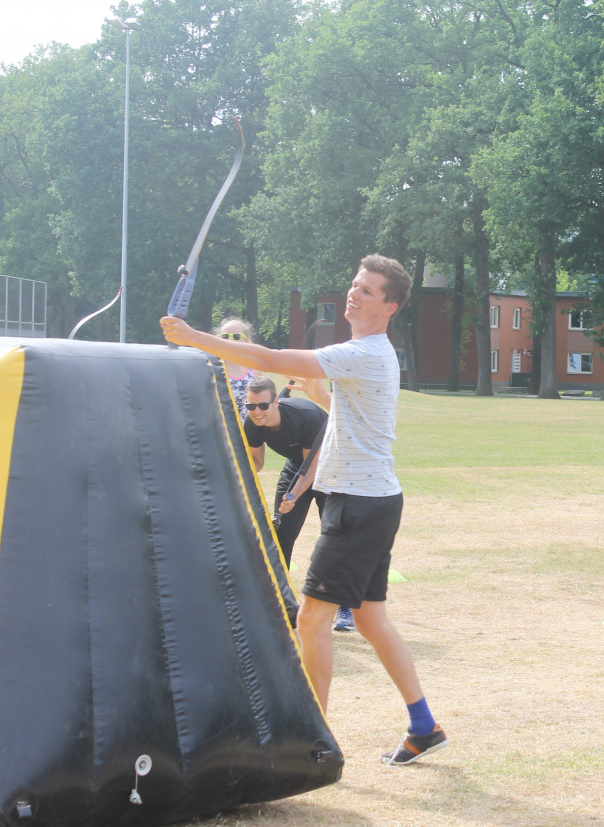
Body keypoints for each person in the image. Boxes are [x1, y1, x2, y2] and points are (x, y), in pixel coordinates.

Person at [162, 254, 448, 764]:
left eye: (368, 290)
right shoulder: (367, 355)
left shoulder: (364, 353)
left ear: (391, 306)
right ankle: (423, 724)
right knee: (369, 620)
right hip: (371, 500)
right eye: (354, 285)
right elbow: (344, 410)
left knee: (312, 620)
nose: (354, 294)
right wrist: (317, 388)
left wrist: (195, 338)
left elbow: (269, 358)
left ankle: (311, 741)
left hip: (359, 506)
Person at [242, 375, 356, 632]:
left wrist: (292, 497)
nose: (256, 412)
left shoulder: (306, 417)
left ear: (276, 402)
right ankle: (278, 603)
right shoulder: (253, 423)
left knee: (334, 538)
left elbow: (313, 468)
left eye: (262, 406)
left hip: (330, 468)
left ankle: (346, 608)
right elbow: (256, 464)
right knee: (281, 536)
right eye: (251, 406)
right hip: (297, 466)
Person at [214, 317, 256, 418]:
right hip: (222, 430)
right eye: (225, 336)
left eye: (236, 336)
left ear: (246, 341)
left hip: (249, 429)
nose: (230, 340)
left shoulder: (254, 368)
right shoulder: (212, 366)